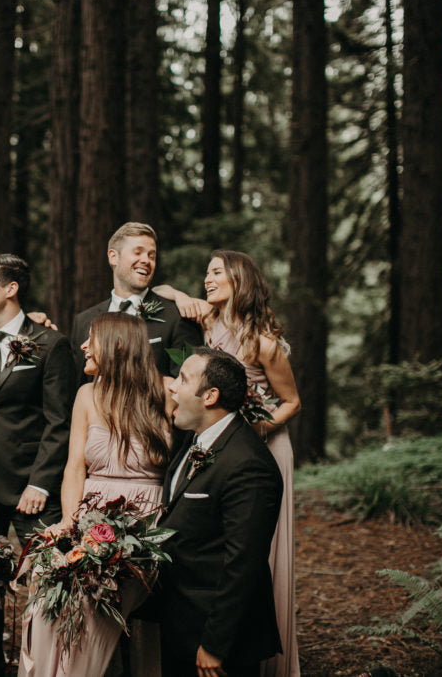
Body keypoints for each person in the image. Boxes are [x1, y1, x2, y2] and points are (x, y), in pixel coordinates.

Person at [155, 250, 302, 676]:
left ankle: (244, 647)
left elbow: (292, 401)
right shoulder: (206, 323)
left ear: (239, 280)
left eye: (216, 272)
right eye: (205, 273)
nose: (207, 279)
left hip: (259, 439)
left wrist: (254, 430)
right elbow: (158, 291)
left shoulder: (263, 341)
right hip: (213, 433)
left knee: (252, 548)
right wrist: (184, 296)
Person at [20, 312, 173, 677]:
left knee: (91, 604)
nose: (83, 346)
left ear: (119, 345)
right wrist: (68, 523)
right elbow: (74, 467)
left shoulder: (165, 392)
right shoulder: (86, 395)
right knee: (46, 593)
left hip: (143, 526)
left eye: (92, 339)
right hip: (90, 519)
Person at [0, 254, 76, 677]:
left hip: (29, 485)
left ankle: (47, 665)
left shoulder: (50, 344)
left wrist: (41, 484)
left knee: (49, 577)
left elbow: (59, 421)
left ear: (11, 289)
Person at [155, 347, 283, 677]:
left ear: (210, 396)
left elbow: (243, 564)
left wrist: (214, 644)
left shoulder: (249, 465)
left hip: (216, 641)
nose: (172, 386)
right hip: (179, 621)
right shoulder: (194, 440)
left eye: (183, 379)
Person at [71, 222, 200, 378]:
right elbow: (77, 384)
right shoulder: (84, 321)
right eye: (138, 252)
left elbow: (187, 387)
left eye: (151, 255)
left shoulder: (177, 317)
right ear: (113, 257)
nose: (146, 260)